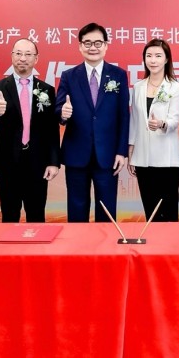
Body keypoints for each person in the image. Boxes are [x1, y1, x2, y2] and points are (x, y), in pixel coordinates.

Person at [55, 22, 130, 223]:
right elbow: (58, 109)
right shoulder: (69, 76)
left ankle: (106, 244)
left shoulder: (118, 75)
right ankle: (78, 244)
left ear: (106, 46)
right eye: (87, 43)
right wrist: (63, 113)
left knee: (106, 210)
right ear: (80, 46)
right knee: (77, 209)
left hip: (108, 155)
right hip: (76, 153)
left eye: (98, 43)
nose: (92, 47)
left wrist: (121, 151)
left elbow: (124, 115)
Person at [0, 39, 60, 223]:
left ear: (36, 59)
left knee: (36, 216)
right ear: (12, 56)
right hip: (7, 162)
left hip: (37, 162)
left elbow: (52, 129)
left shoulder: (46, 90)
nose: (22, 58)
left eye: (28, 54)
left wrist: (53, 162)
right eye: (18, 53)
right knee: (9, 216)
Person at [127, 39, 179, 222]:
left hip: (167, 158)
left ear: (166, 59)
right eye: (149, 56)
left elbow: (175, 120)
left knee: (168, 210)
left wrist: (161, 124)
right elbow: (134, 121)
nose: (153, 60)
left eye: (158, 56)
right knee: (150, 210)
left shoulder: (175, 87)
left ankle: (170, 241)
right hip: (142, 157)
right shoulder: (138, 87)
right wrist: (131, 150)